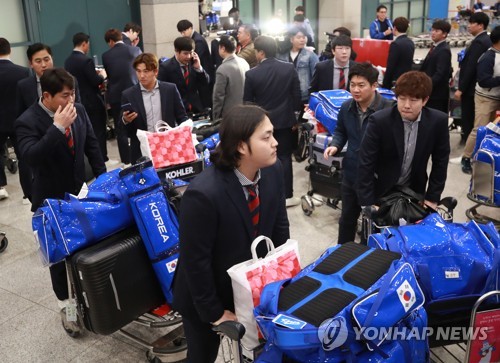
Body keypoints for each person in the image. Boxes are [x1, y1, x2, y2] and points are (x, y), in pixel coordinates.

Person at [172, 105, 290, 363]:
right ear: (241, 147)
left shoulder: (273, 170)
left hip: (250, 285)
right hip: (206, 293)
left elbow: (280, 228)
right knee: (202, 356)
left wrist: (284, 283)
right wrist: (215, 313)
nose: (275, 143)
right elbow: (196, 262)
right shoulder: (203, 194)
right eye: (266, 136)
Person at [15, 67, 105, 335]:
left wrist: (102, 181)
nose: (71, 99)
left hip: (79, 194)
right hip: (48, 201)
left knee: (84, 250)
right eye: (65, 95)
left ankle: (92, 301)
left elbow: (91, 145)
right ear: (47, 96)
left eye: (73, 93)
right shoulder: (27, 121)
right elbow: (32, 156)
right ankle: (67, 309)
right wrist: (57, 127)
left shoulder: (78, 109)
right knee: (58, 260)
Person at [357, 71, 450, 212]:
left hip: (414, 192)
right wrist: (368, 203)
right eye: (402, 99)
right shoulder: (379, 121)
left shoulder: (438, 122)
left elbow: (440, 162)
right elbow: (365, 163)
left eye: (413, 100)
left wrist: (432, 197)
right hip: (381, 191)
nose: (406, 105)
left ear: (425, 100)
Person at [323, 62, 393, 244]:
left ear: (374, 85)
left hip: (377, 177)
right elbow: (341, 131)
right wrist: (336, 145)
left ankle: (368, 256)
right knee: (347, 218)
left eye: (361, 85)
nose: (355, 90)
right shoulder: (347, 107)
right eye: (352, 85)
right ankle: (342, 252)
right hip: (352, 173)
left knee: (374, 221)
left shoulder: (388, 110)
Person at [16, 43, 81, 203]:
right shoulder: (24, 87)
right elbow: (23, 121)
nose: (44, 64)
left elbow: (78, 113)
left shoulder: (68, 81)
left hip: (72, 166)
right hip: (44, 162)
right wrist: (57, 127)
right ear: (31, 64)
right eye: (38, 61)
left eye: (47, 59)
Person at [243, 36, 302, 207]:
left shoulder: (252, 74)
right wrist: (295, 118)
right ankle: (287, 195)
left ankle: (266, 195)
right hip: (285, 122)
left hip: (261, 125)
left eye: (256, 51)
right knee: (284, 157)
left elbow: (247, 103)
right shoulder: (289, 68)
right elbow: (296, 96)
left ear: (260, 52)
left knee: (262, 159)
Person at [121, 53, 188, 164]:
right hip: (142, 150)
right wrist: (125, 120)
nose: (142, 75)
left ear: (155, 71)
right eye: (138, 71)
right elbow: (122, 128)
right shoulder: (128, 94)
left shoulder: (170, 89)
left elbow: (182, 117)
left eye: (146, 71)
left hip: (168, 145)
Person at [64, 32, 110, 163]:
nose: (88, 48)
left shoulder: (68, 61)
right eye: (88, 45)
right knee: (98, 131)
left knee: (83, 133)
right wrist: (102, 75)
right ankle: (102, 158)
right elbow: (95, 81)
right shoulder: (86, 60)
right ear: (84, 44)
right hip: (92, 101)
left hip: (77, 101)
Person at [453, 12, 491, 168]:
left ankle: (468, 154)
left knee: (469, 120)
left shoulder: (479, 42)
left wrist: (461, 89)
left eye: (471, 23)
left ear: (480, 25)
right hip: (477, 88)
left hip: (470, 90)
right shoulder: (485, 40)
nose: (468, 26)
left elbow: (470, 68)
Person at [461, 27, 500, 174]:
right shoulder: (488, 57)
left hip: (496, 97)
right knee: (480, 128)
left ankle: (484, 156)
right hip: (485, 98)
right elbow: (484, 81)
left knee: (493, 129)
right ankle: (466, 157)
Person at [102, 28, 142, 165]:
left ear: (111, 41)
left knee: (121, 128)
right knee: (139, 123)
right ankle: (141, 155)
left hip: (116, 95)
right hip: (134, 93)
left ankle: (126, 161)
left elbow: (109, 75)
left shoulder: (106, 56)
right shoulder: (135, 50)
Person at [0, 38, 30, 200]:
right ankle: (28, 189)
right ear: (9, 50)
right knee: (23, 155)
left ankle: (0, 187)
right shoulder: (23, 72)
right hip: (19, 120)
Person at [158, 37, 210, 114]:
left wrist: (199, 68)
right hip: (177, 111)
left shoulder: (194, 63)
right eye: (185, 53)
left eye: (191, 53)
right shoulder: (166, 67)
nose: (189, 56)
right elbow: (162, 92)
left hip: (196, 110)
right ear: (176, 51)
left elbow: (205, 83)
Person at [277, 26, 319, 107]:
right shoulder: (281, 55)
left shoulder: (310, 55)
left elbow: (316, 77)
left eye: (304, 37)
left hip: (304, 95)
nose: (302, 40)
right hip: (285, 93)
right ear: (291, 39)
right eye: (299, 37)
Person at [212, 35, 249, 120]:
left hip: (230, 114)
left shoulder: (222, 69)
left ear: (223, 48)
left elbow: (218, 96)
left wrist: (216, 117)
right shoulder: (244, 62)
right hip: (245, 111)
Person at [419, 20, 452, 114]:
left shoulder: (444, 50)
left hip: (437, 94)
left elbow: (440, 74)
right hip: (431, 92)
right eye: (432, 30)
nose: (433, 33)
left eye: (437, 31)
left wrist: (426, 85)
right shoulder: (436, 47)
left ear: (444, 34)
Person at [177, 19, 214, 86]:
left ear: (190, 28)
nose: (182, 34)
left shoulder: (198, 41)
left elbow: (195, 58)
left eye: (184, 31)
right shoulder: (193, 39)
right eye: (181, 32)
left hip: (205, 73)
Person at [382, 17, 414, 90]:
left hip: (395, 81)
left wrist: (385, 85)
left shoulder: (396, 44)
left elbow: (391, 66)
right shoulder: (410, 42)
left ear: (395, 28)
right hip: (406, 79)